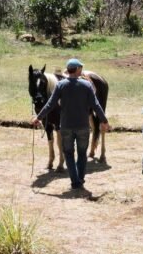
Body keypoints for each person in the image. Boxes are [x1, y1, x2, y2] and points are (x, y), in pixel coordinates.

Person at [31, 58, 110, 190]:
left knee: (68, 154)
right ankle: (80, 179)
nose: (82, 70)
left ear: (68, 70)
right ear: (78, 69)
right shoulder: (87, 85)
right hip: (83, 127)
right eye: (81, 68)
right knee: (82, 154)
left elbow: (50, 104)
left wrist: (38, 117)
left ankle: (75, 182)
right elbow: (96, 105)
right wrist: (104, 121)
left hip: (66, 126)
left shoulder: (60, 85)